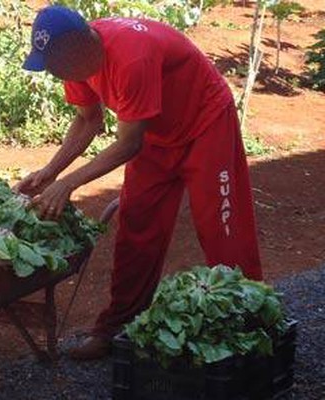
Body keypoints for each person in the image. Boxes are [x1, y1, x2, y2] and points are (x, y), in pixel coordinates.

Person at [15, 5, 263, 360]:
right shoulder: (77, 64)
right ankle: (116, 326)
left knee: (222, 226)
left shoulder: (130, 58)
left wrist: (68, 184)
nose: (51, 73)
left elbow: (128, 144)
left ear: (74, 50)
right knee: (137, 226)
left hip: (204, 123)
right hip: (155, 134)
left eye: (52, 63)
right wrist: (50, 173)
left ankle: (249, 324)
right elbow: (88, 121)